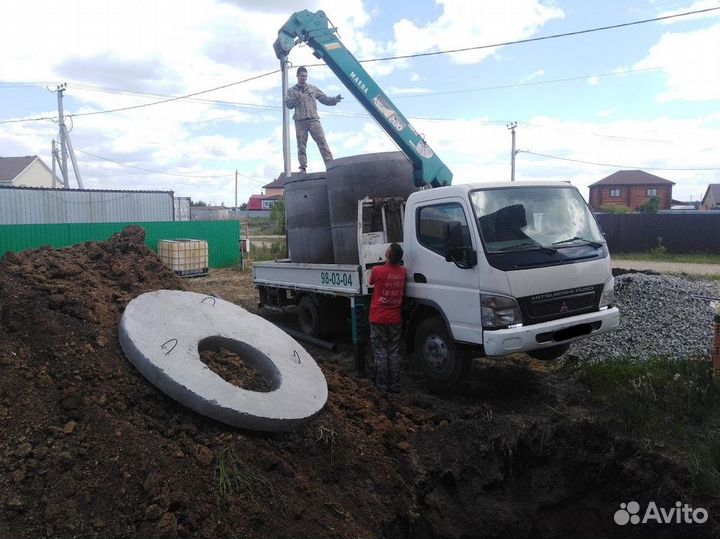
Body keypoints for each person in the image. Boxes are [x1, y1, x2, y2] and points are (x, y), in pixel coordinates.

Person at [284, 66, 342, 172]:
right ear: (297, 76)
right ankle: (303, 168)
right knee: (301, 145)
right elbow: (289, 105)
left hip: (314, 120)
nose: (304, 78)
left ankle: (330, 166)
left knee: (322, 142)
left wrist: (335, 100)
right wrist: (297, 97)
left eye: (306, 76)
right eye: (302, 76)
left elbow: (324, 99)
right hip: (300, 121)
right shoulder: (291, 91)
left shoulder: (312, 88)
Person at [368, 243, 407, 393]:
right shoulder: (403, 272)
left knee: (381, 353)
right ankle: (395, 385)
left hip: (378, 318)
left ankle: (383, 387)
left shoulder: (377, 271)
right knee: (393, 352)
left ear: (388, 253)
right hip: (395, 318)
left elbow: (371, 281)